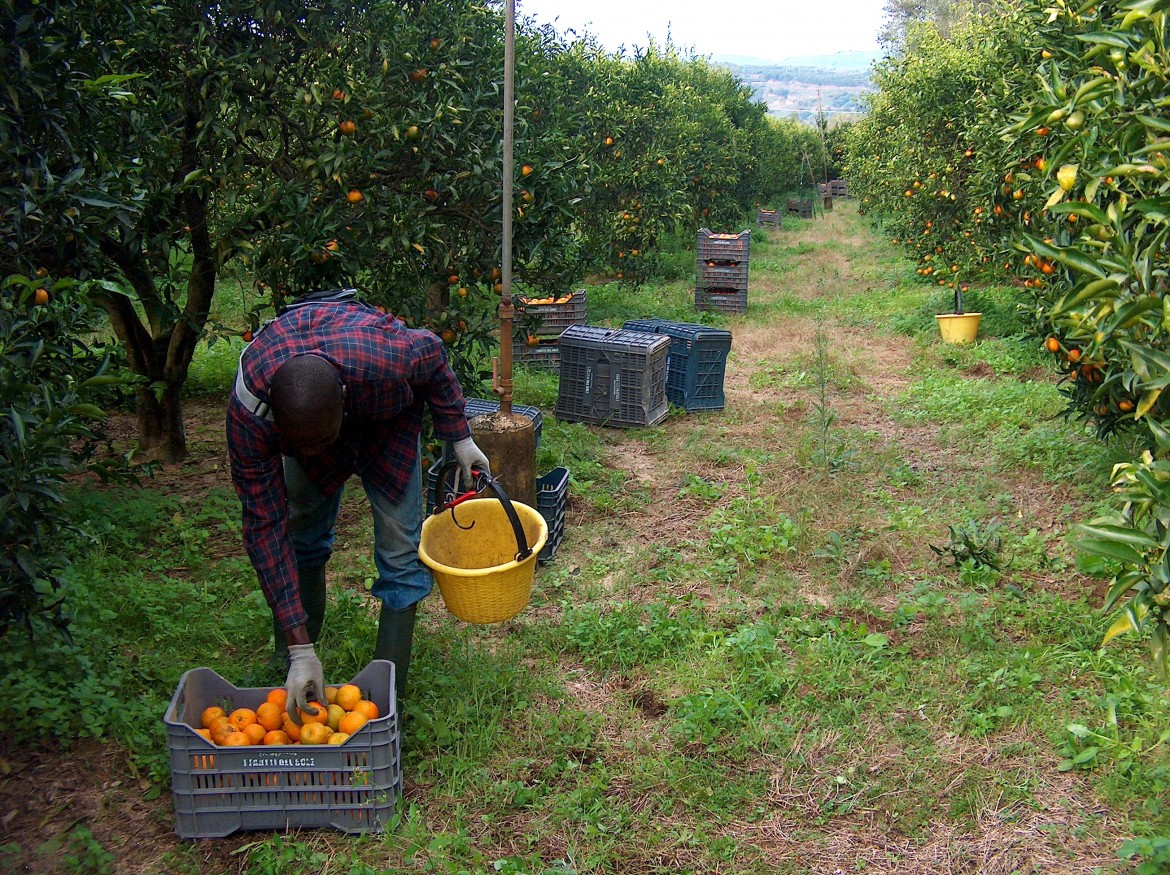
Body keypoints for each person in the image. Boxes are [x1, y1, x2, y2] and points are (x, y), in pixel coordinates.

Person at [226, 287, 490, 723]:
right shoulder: (250, 411)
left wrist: (458, 436)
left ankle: (386, 702)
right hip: (313, 414)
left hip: (386, 424)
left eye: (321, 443)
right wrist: (300, 649)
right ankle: (291, 660)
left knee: (401, 554)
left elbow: (436, 355)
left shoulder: (388, 358)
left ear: (346, 404)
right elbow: (263, 526)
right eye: (299, 448)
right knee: (299, 534)